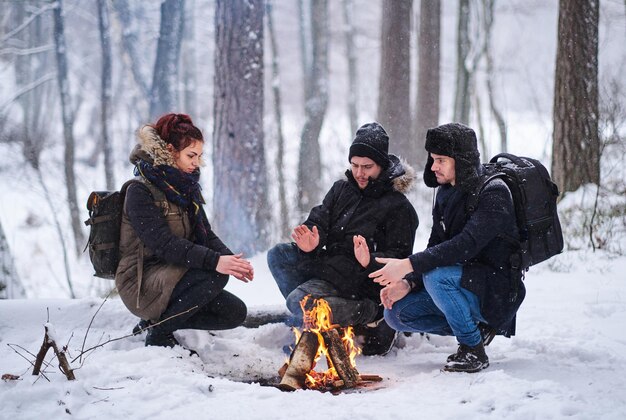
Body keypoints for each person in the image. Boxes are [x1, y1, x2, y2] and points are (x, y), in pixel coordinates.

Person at [370, 122, 525, 372]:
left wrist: (408, 265)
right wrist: (408, 282)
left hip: (497, 291)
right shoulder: (445, 192)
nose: (433, 167)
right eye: (432, 159)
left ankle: (472, 348)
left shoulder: (494, 193)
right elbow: (435, 246)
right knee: (396, 314)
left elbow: (465, 245)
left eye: (441, 160)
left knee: (436, 275)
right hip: (458, 284)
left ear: (460, 160)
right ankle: (473, 327)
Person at [267, 122, 419, 356]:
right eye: (355, 165)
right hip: (332, 270)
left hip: (363, 284)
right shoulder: (341, 189)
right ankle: (314, 323)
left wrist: (370, 259)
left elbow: (400, 259)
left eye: (367, 167)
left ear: (382, 165)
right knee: (278, 254)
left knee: (297, 301)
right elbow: (319, 219)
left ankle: (369, 314)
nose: (359, 173)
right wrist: (311, 240)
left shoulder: (399, 207)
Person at [116, 113, 254, 349]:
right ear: (170, 151)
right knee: (214, 274)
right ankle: (159, 334)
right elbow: (163, 243)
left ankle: (158, 322)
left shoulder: (184, 187)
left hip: (173, 273)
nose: (196, 162)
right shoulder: (140, 190)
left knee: (234, 313)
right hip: (141, 281)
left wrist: (231, 260)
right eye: (191, 155)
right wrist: (216, 262)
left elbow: (205, 234)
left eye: (199, 156)